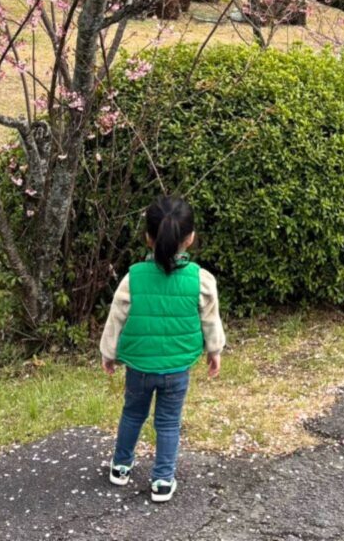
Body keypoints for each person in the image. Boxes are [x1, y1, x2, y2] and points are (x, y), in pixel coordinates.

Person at [100, 196, 225, 503]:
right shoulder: (201, 280)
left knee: (133, 414)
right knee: (168, 422)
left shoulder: (133, 277)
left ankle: (120, 466)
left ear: (148, 237)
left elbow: (116, 318)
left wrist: (108, 353)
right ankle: (162, 481)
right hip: (177, 368)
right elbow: (210, 320)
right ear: (190, 238)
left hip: (139, 367)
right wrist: (215, 351)